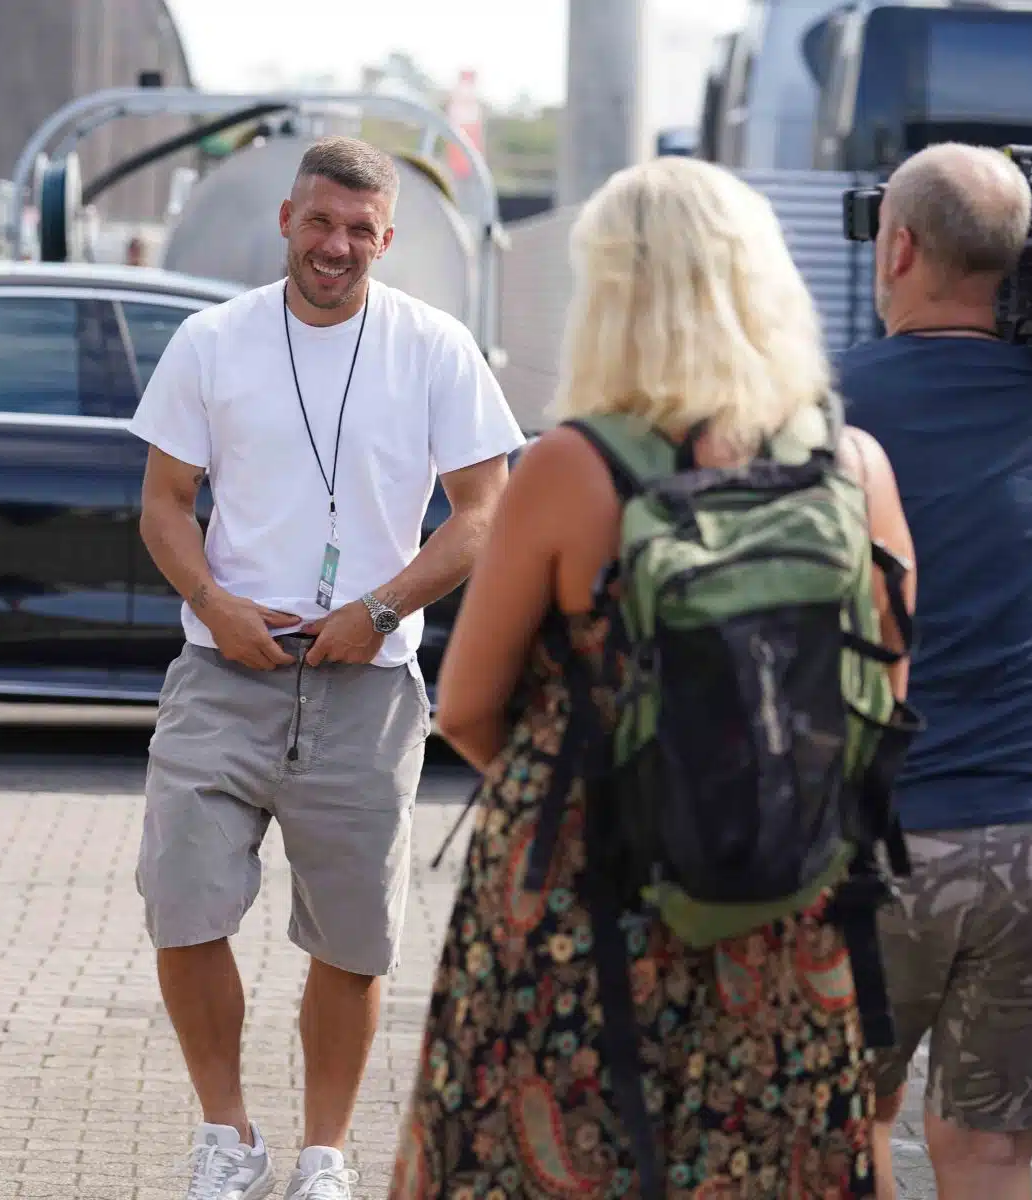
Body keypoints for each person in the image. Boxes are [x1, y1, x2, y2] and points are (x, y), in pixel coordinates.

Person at [390, 155, 918, 1198]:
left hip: (586, 900)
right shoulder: (851, 465)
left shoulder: (572, 465)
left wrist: (609, 784)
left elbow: (467, 706)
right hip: (787, 894)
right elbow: (885, 696)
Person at [130, 134, 524, 1200]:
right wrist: (213, 603)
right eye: (319, 222)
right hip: (224, 669)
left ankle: (324, 1155)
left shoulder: (435, 348)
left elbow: (482, 510)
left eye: (359, 229)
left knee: (352, 939)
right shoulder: (213, 341)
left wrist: (381, 608)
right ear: (286, 222)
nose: (336, 245)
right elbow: (163, 504)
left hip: (368, 684)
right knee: (183, 904)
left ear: (385, 239)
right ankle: (228, 1135)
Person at [836, 142, 1032, 1200]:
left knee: (844, 1125)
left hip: (875, 840)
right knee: (992, 1152)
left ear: (900, 248)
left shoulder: (827, 403)